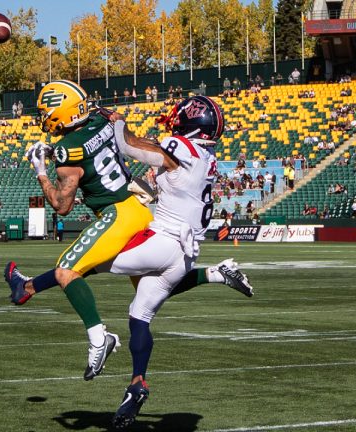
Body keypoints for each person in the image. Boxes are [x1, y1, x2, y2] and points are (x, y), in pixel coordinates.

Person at [102, 97, 253, 428]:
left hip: (166, 242)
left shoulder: (180, 146)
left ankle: (29, 285)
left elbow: (131, 147)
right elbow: (160, 184)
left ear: (192, 121)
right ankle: (136, 383)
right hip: (187, 254)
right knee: (138, 316)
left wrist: (117, 122)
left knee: (91, 260)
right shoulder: (205, 157)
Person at [5, 80, 154, 381]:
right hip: (139, 208)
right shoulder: (101, 116)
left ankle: (100, 338)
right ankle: (26, 288)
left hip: (118, 214)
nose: (44, 117)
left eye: (48, 112)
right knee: (152, 281)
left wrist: (40, 171)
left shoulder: (66, 152)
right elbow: (104, 121)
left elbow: (62, 206)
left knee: (66, 271)